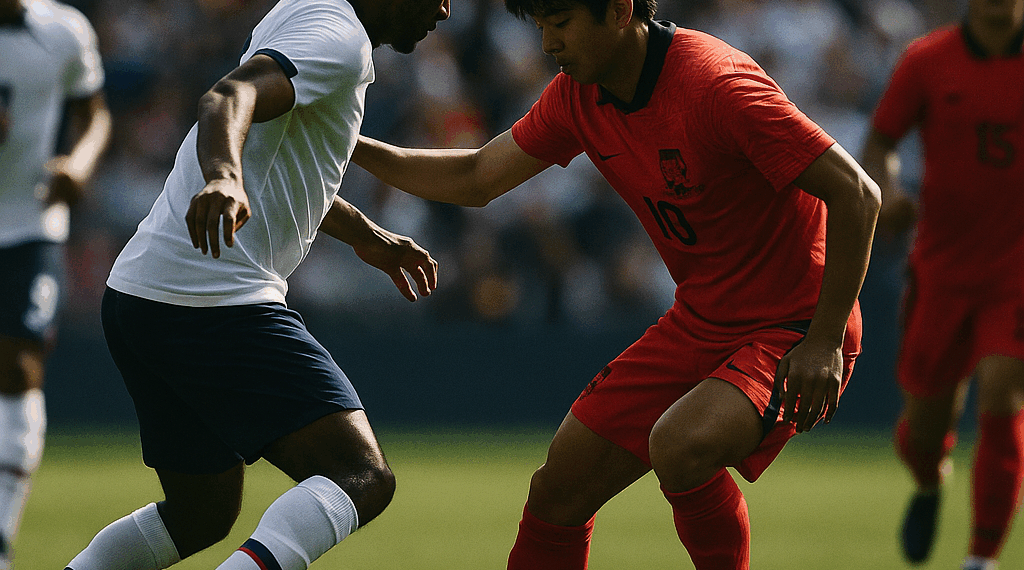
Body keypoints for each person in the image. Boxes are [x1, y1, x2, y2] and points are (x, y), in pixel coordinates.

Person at [352, 0, 880, 566]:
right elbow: (477, 176)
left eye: (561, 23)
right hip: (701, 321)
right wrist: (346, 145)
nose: (547, 44)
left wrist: (824, 339)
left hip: (796, 325)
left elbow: (858, 193)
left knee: (680, 445)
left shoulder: (716, 85)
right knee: (558, 489)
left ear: (621, 9)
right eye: (541, 27)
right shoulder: (577, 96)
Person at [61, 0, 446, 568]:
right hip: (212, 302)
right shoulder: (338, 36)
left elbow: (287, 153)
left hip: (141, 296)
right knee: (360, 475)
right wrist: (223, 176)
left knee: (200, 513)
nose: (444, 9)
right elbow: (227, 96)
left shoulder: (308, 10)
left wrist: (366, 234)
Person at [861, 0, 1024, 568]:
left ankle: (982, 557)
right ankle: (930, 481)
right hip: (942, 270)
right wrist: (888, 194)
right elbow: (880, 142)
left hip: (1016, 271)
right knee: (922, 435)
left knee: (1003, 396)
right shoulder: (927, 61)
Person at [0, 0, 111, 567]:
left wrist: (80, 164)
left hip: (31, 223)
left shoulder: (63, 31)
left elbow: (95, 114)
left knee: (20, 364)